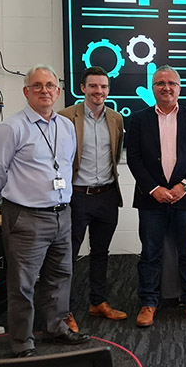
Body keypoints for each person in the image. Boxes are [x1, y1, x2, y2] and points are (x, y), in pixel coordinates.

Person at [0, 65, 89, 358]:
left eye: (50, 85)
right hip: (26, 216)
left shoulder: (66, 125)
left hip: (62, 213)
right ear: (26, 91)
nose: (45, 90)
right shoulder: (12, 127)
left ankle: (56, 327)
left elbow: (66, 164)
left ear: (58, 91)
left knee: (60, 275)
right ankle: (22, 341)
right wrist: (13, 196)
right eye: (38, 85)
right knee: (23, 282)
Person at [125, 65, 186, 327]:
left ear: (179, 88)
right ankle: (149, 303)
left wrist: (184, 185)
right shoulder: (139, 120)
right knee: (150, 253)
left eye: (171, 83)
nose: (166, 87)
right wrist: (154, 189)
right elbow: (134, 158)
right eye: (160, 83)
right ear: (153, 89)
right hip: (151, 199)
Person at [58, 67, 126, 331]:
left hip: (107, 195)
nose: (99, 91)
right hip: (77, 196)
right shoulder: (65, 117)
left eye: (104, 87)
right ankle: (65, 310)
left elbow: (116, 155)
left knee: (101, 253)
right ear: (83, 88)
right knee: (69, 256)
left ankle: (98, 302)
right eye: (94, 86)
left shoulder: (116, 119)